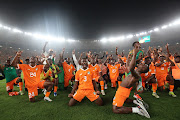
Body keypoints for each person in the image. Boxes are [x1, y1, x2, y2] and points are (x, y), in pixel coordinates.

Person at [112, 46, 150, 118]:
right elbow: (128, 66)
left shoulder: (137, 75)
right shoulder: (136, 71)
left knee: (115, 109)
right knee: (124, 99)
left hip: (123, 91)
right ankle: (135, 102)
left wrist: (135, 55)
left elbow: (131, 68)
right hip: (124, 90)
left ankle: (138, 110)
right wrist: (129, 58)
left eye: (143, 65)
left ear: (143, 69)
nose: (141, 63)